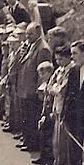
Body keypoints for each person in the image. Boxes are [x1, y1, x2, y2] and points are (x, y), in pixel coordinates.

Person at [17, 23, 52, 153]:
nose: (27, 36)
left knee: (32, 118)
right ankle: (27, 140)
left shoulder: (43, 49)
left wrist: (39, 91)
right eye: (27, 34)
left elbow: (42, 74)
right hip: (25, 88)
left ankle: (32, 143)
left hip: (33, 90)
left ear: (38, 33)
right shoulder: (31, 45)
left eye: (30, 34)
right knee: (26, 116)